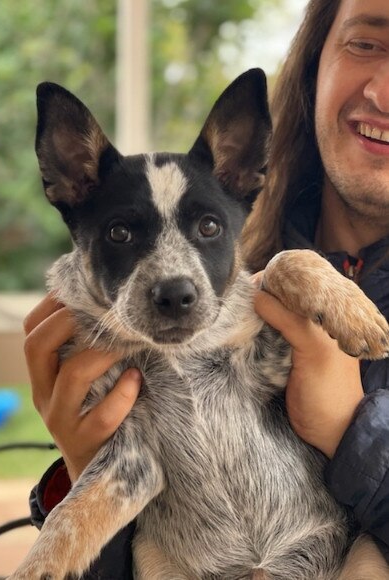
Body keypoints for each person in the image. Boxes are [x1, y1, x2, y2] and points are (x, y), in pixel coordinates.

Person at [24, 0, 389, 577]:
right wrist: (80, 469)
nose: (386, 92)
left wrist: (354, 432)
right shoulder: (248, 275)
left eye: (207, 229)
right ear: (315, 63)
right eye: (368, 43)